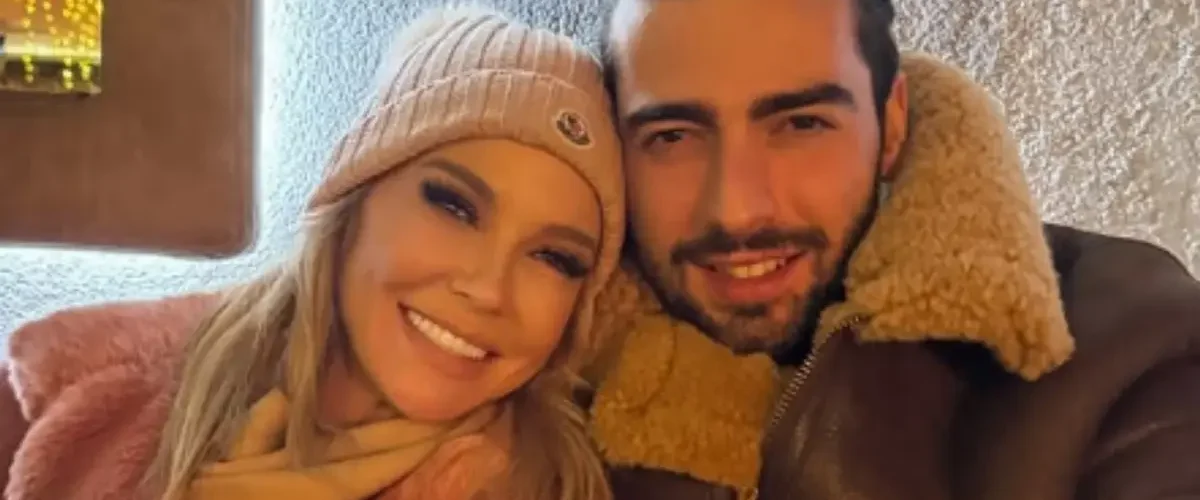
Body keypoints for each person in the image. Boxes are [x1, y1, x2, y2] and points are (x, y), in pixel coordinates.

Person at [0, 5, 623, 500]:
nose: (488, 289)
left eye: (555, 258)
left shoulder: (559, 485)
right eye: (453, 206)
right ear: (355, 194)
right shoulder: (72, 392)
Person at [582, 0, 1200, 498]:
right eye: (672, 136)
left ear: (893, 124)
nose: (736, 209)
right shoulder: (550, 359)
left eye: (802, 124)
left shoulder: (1137, 346)